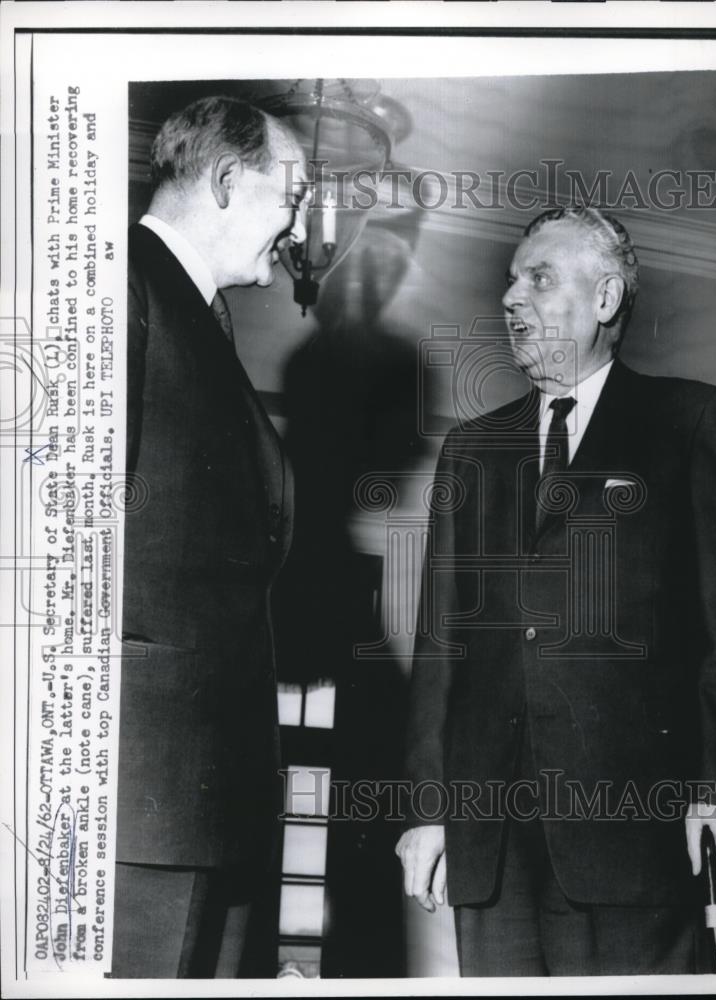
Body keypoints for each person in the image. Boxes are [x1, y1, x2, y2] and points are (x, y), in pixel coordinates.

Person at [396, 206, 716, 976]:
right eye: (510, 280)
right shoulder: (471, 449)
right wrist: (429, 811)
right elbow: (440, 645)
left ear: (606, 299)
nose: (511, 298)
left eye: (540, 277)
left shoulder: (689, 421)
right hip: (490, 842)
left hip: (635, 834)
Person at [114, 96, 308, 978]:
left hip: (211, 795)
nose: (299, 226)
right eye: (292, 194)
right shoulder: (114, 281)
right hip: (140, 792)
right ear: (228, 182)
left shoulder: (201, 318)